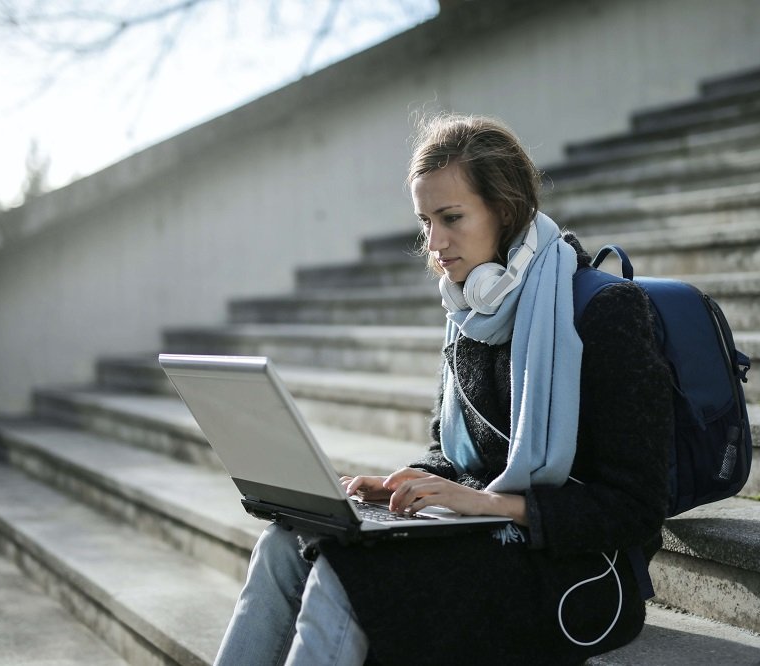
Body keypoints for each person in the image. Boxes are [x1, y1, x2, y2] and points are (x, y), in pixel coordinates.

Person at [214, 114, 673, 666]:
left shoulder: (605, 312)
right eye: (425, 221)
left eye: (451, 217)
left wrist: (488, 503)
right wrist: (402, 486)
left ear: (504, 211)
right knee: (284, 544)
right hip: (483, 533)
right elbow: (451, 455)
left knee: (350, 571)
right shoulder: (469, 311)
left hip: (577, 570)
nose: (435, 243)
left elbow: (637, 506)